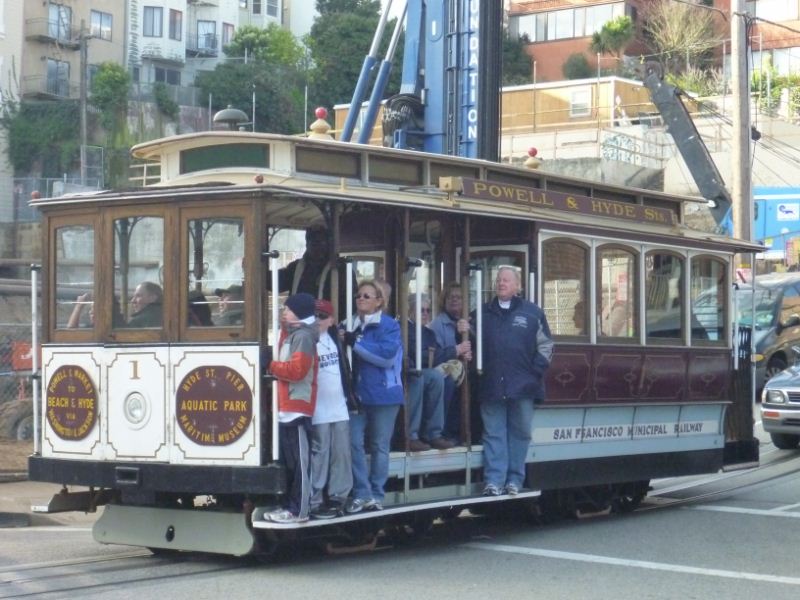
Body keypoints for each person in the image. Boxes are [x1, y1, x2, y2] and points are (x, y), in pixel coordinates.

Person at [479, 266, 553, 497]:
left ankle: (514, 480)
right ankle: (494, 481)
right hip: (491, 385)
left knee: (520, 433)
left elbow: (547, 346)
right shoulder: (481, 313)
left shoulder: (533, 313)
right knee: (493, 433)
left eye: (507, 280)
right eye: (499, 280)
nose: (501, 283)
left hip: (523, 387)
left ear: (518, 286)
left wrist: (534, 373)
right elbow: (470, 342)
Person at [341, 280, 404, 513]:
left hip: (384, 395)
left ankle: (377, 493)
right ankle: (361, 492)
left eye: (367, 296)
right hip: (356, 395)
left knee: (379, 446)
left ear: (379, 301)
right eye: (359, 295)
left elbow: (386, 357)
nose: (361, 299)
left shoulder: (389, 326)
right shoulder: (348, 324)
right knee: (352, 443)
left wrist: (355, 342)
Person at [263, 292, 319, 524]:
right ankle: (291, 506)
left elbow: (297, 371)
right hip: (287, 406)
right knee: (291, 461)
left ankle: (300, 509)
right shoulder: (294, 334)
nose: (283, 312)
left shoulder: (304, 336)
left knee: (299, 463)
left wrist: (270, 365)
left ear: (299, 312)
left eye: (287, 309)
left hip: (297, 405)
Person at [309, 299, 356, 519]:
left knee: (341, 453)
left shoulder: (335, 338)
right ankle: (315, 498)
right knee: (320, 452)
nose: (318, 320)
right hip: (318, 407)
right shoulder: (307, 340)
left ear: (331, 320)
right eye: (315, 316)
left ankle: (338, 496)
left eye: (322, 316)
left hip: (338, 406)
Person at [405, 294, 454, 451]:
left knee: (443, 378)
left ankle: (434, 433)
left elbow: (435, 355)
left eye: (428, 310)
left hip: (424, 372)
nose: (425, 313)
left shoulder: (428, 333)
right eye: (421, 310)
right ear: (410, 310)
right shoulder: (405, 329)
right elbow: (418, 355)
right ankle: (411, 435)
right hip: (406, 373)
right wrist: (452, 351)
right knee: (424, 376)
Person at [428, 282, 472, 440]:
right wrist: (457, 351)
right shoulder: (437, 325)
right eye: (451, 297)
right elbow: (435, 356)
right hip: (446, 375)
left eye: (459, 297)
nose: (455, 300)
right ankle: (444, 431)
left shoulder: (470, 323)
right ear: (444, 300)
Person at [279, 226, 333, 298]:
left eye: (322, 243)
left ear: (328, 245)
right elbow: (276, 283)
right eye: (314, 243)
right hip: (299, 309)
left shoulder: (340, 269)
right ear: (307, 244)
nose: (318, 248)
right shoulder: (294, 268)